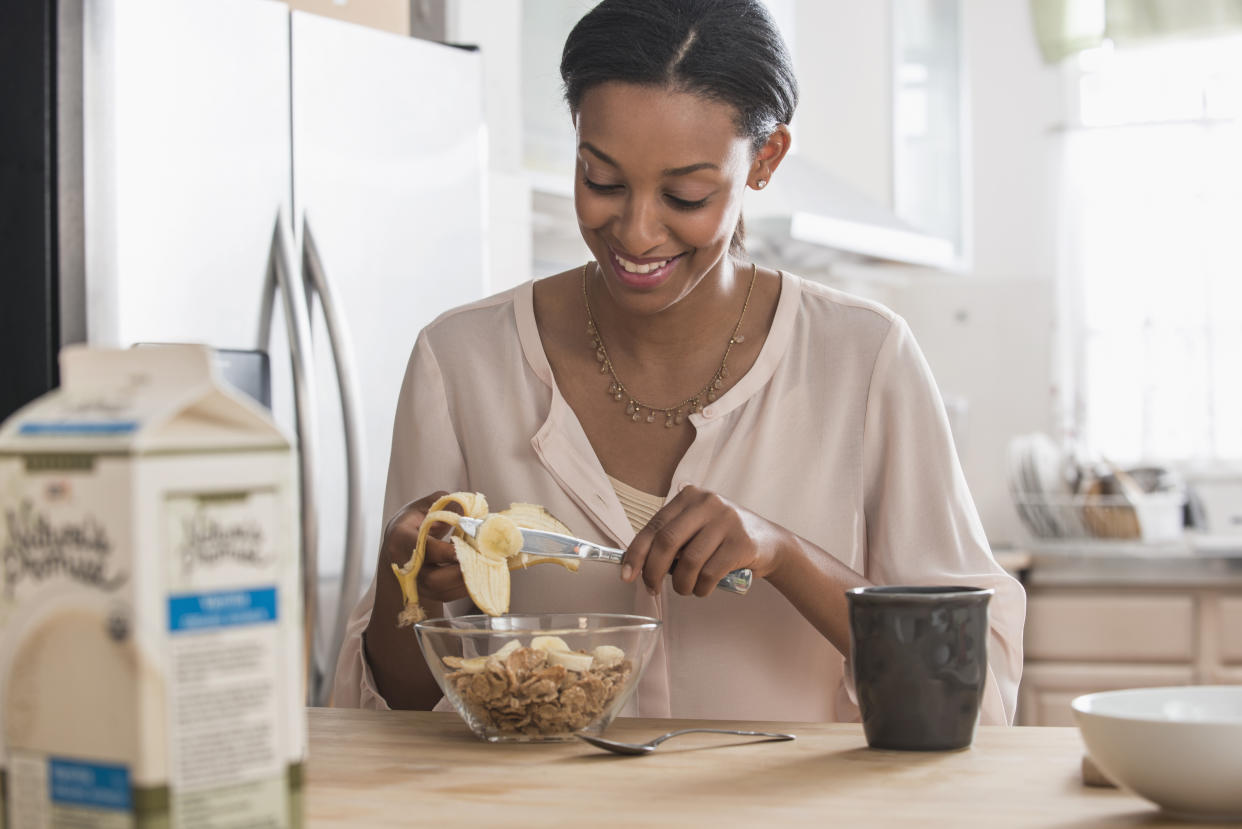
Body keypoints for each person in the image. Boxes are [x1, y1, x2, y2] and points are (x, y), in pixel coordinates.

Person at [333, 0, 1025, 723]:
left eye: (685, 194)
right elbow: (394, 712)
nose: (635, 230)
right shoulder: (461, 361)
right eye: (601, 179)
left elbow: (967, 689)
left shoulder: (865, 359)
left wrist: (786, 555)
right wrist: (402, 576)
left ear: (765, 160)